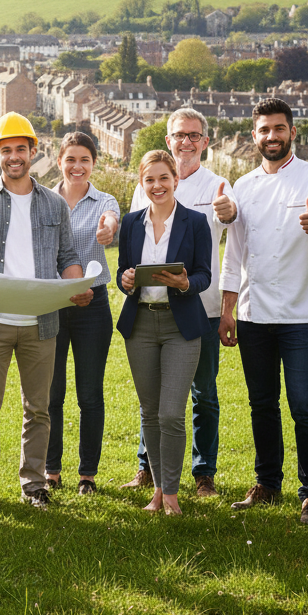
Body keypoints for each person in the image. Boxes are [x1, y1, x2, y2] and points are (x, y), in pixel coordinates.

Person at [219, 99, 308, 525]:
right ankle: (268, 482)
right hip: (254, 313)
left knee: (304, 403)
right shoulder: (243, 185)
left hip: (301, 314)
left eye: (279, 129)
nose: (272, 136)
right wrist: (227, 310)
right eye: (264, 130)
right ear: (254, 136)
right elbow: (233, 254)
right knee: (261, 403)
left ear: (292, 132)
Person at [0, 112, 89, 512]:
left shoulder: (53, 203)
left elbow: (67, 255)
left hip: (40, 322)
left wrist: (77, 285)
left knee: (39, 408)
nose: (14, 157)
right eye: (6, 150)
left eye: (21, 149)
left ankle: (33, 484)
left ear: (33, 152)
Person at [122, 107, 237, 497]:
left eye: (193, 135)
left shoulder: (218, 185)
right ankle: (148, 468)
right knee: (152, 398)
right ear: (167, 141)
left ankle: (203, 472)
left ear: (204, 142)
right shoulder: (147, 185)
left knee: (204, 392)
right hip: (150, 311)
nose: (185, 141)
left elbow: (233, 236)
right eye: (178, 135)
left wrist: (230, 211)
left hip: (200, 311)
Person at [116, 151, 214, 516]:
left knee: (171, 413)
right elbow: (124, 273)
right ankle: (158, 491)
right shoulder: (131, 224)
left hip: (181, 327)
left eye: (163, 178)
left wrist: (186, 282)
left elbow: (205, 275)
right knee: (150, 411)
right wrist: (125, 280)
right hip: (139, 325)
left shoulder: (195, 222)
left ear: (175, 179)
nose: (157, 186)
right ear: (142, 184)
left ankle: (171, 493)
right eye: (150, 180)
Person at [44, 131, 119, 495]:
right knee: (51, 394)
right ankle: (51, 470)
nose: (77, 166)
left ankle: (87, 474)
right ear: (59, 161)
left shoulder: (105, 199)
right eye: (70, 159)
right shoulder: (42, 200)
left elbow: (110, 221)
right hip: (53, 303)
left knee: (89, 394)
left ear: (93, 164)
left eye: (84, 160)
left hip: (94, 305)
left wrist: (108, 230)